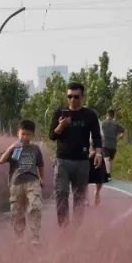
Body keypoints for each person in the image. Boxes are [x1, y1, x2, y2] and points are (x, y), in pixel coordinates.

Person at [48, 82, 103, 227]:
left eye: (76, 96)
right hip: (62, 161)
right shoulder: (59, 113)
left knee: (79, 198)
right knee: (61, 194)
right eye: (69, 96)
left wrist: (98, 154)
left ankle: (76, 231)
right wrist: (62, 125)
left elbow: (97, 136)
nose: (72, 99)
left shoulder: (90, 115)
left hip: (82, 162)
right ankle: (64, 229)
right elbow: (52, 136)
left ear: (82, 96)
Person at [0, 119, 45, 244]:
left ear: (32, 135)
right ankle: (19, 237)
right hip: (16, 183)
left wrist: (42, 178)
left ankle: (35, 236)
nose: (25, 137)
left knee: (35, 206)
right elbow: (1, 160)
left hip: (32, 181)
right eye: (23, 134)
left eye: (28, 134)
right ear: (18, 133)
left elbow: (40, 164)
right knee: (17, 211)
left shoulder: (35, 149)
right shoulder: (14, 148)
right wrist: (11, 147)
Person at [100, 108, 125, 181]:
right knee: (110, 159)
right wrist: (118, 138)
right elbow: (123, 131)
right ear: (113, 116)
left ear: (107, 115)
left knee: (106, 159)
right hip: (113, 145)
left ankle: (108, 174)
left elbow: (98, 132)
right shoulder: (116, 124)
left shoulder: (102, 123)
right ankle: (108, 174)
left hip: (105, 144)